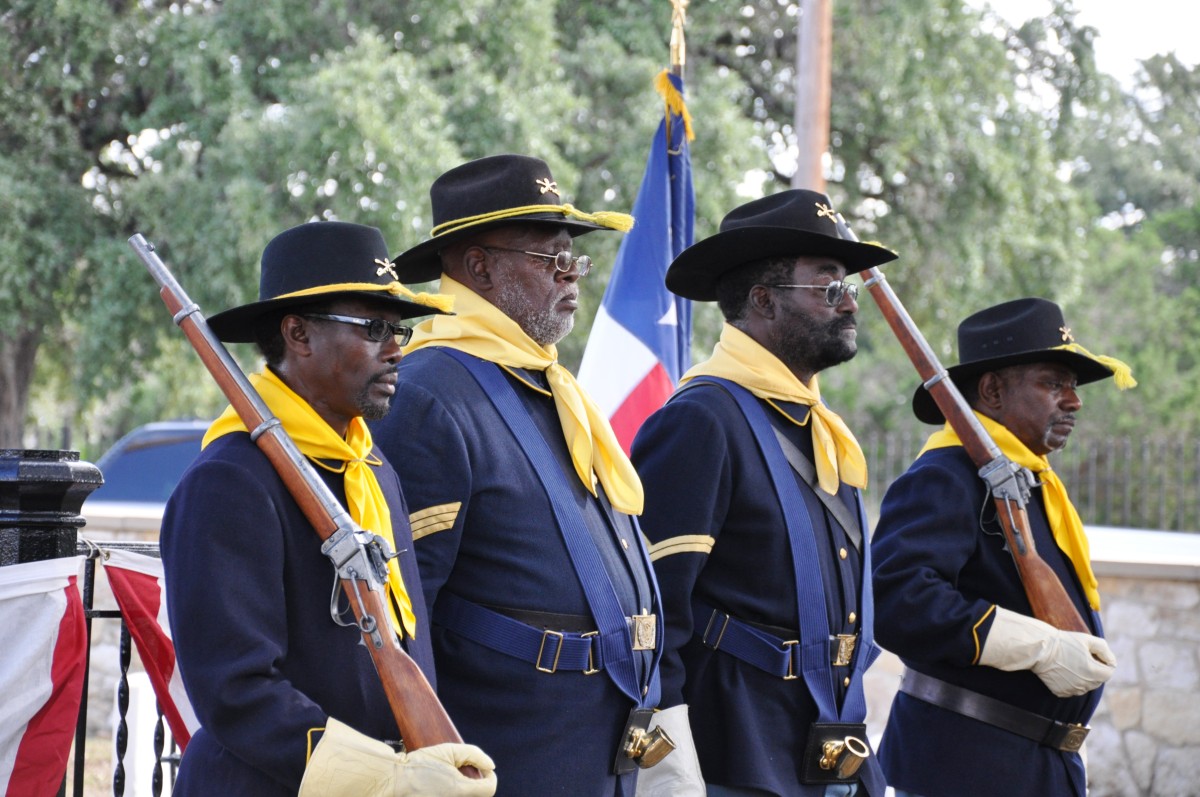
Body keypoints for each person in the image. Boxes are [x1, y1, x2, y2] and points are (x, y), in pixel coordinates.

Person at [160, 221, 497, 796]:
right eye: (373, 329)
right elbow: (236, 692)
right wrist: (380, 777)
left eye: (399, 331)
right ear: (298, 333)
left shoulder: (371, 469)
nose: (395, 351)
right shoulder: (229, 481)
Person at [372, 154, 666, 796]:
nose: (571, 277)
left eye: (575, 261)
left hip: (593, 756)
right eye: (552, 259)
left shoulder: (546, 385)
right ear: (479, 266)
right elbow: (401, 615)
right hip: (510, 762)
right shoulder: (430, 394)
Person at [631, 189, 899, 797]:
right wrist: (668, 769)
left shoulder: (816, 425)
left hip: (825, 739)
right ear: (764, 302)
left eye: (849, 288)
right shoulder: (702, 420)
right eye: (829, 287)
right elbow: (656, 614)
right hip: (739, 755)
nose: (849, 304)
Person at [871, 297, 1137, 797]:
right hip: (964, 767)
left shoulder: (1024, 479)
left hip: (1028, 766)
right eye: (1052, 383)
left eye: (1072, 387)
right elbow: (895, 598)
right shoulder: (946, 474)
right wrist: (1036, 648)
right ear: (992, 391)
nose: (1074, 401)